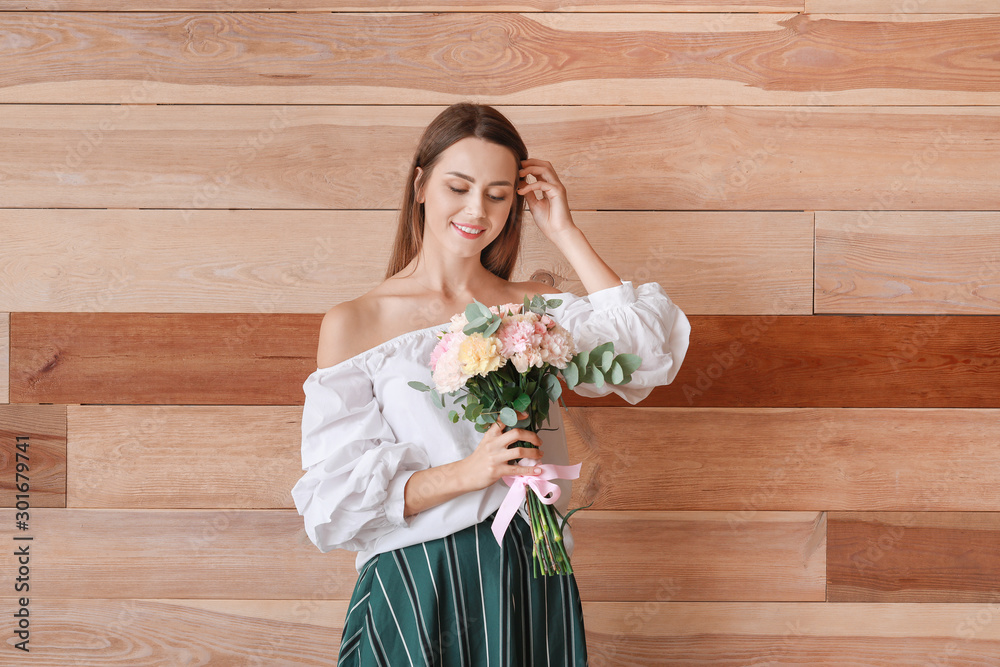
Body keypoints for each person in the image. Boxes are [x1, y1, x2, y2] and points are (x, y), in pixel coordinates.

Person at [290, 102, 691, 666]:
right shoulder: (355, 323)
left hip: (531, 566)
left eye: (498, 194)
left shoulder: (532, 307)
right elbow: (336, 504)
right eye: (458, 186)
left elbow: (646, 353)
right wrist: (469, 473)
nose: (476, 209)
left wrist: (565, 231)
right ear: (421, 184)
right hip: (420, 579)